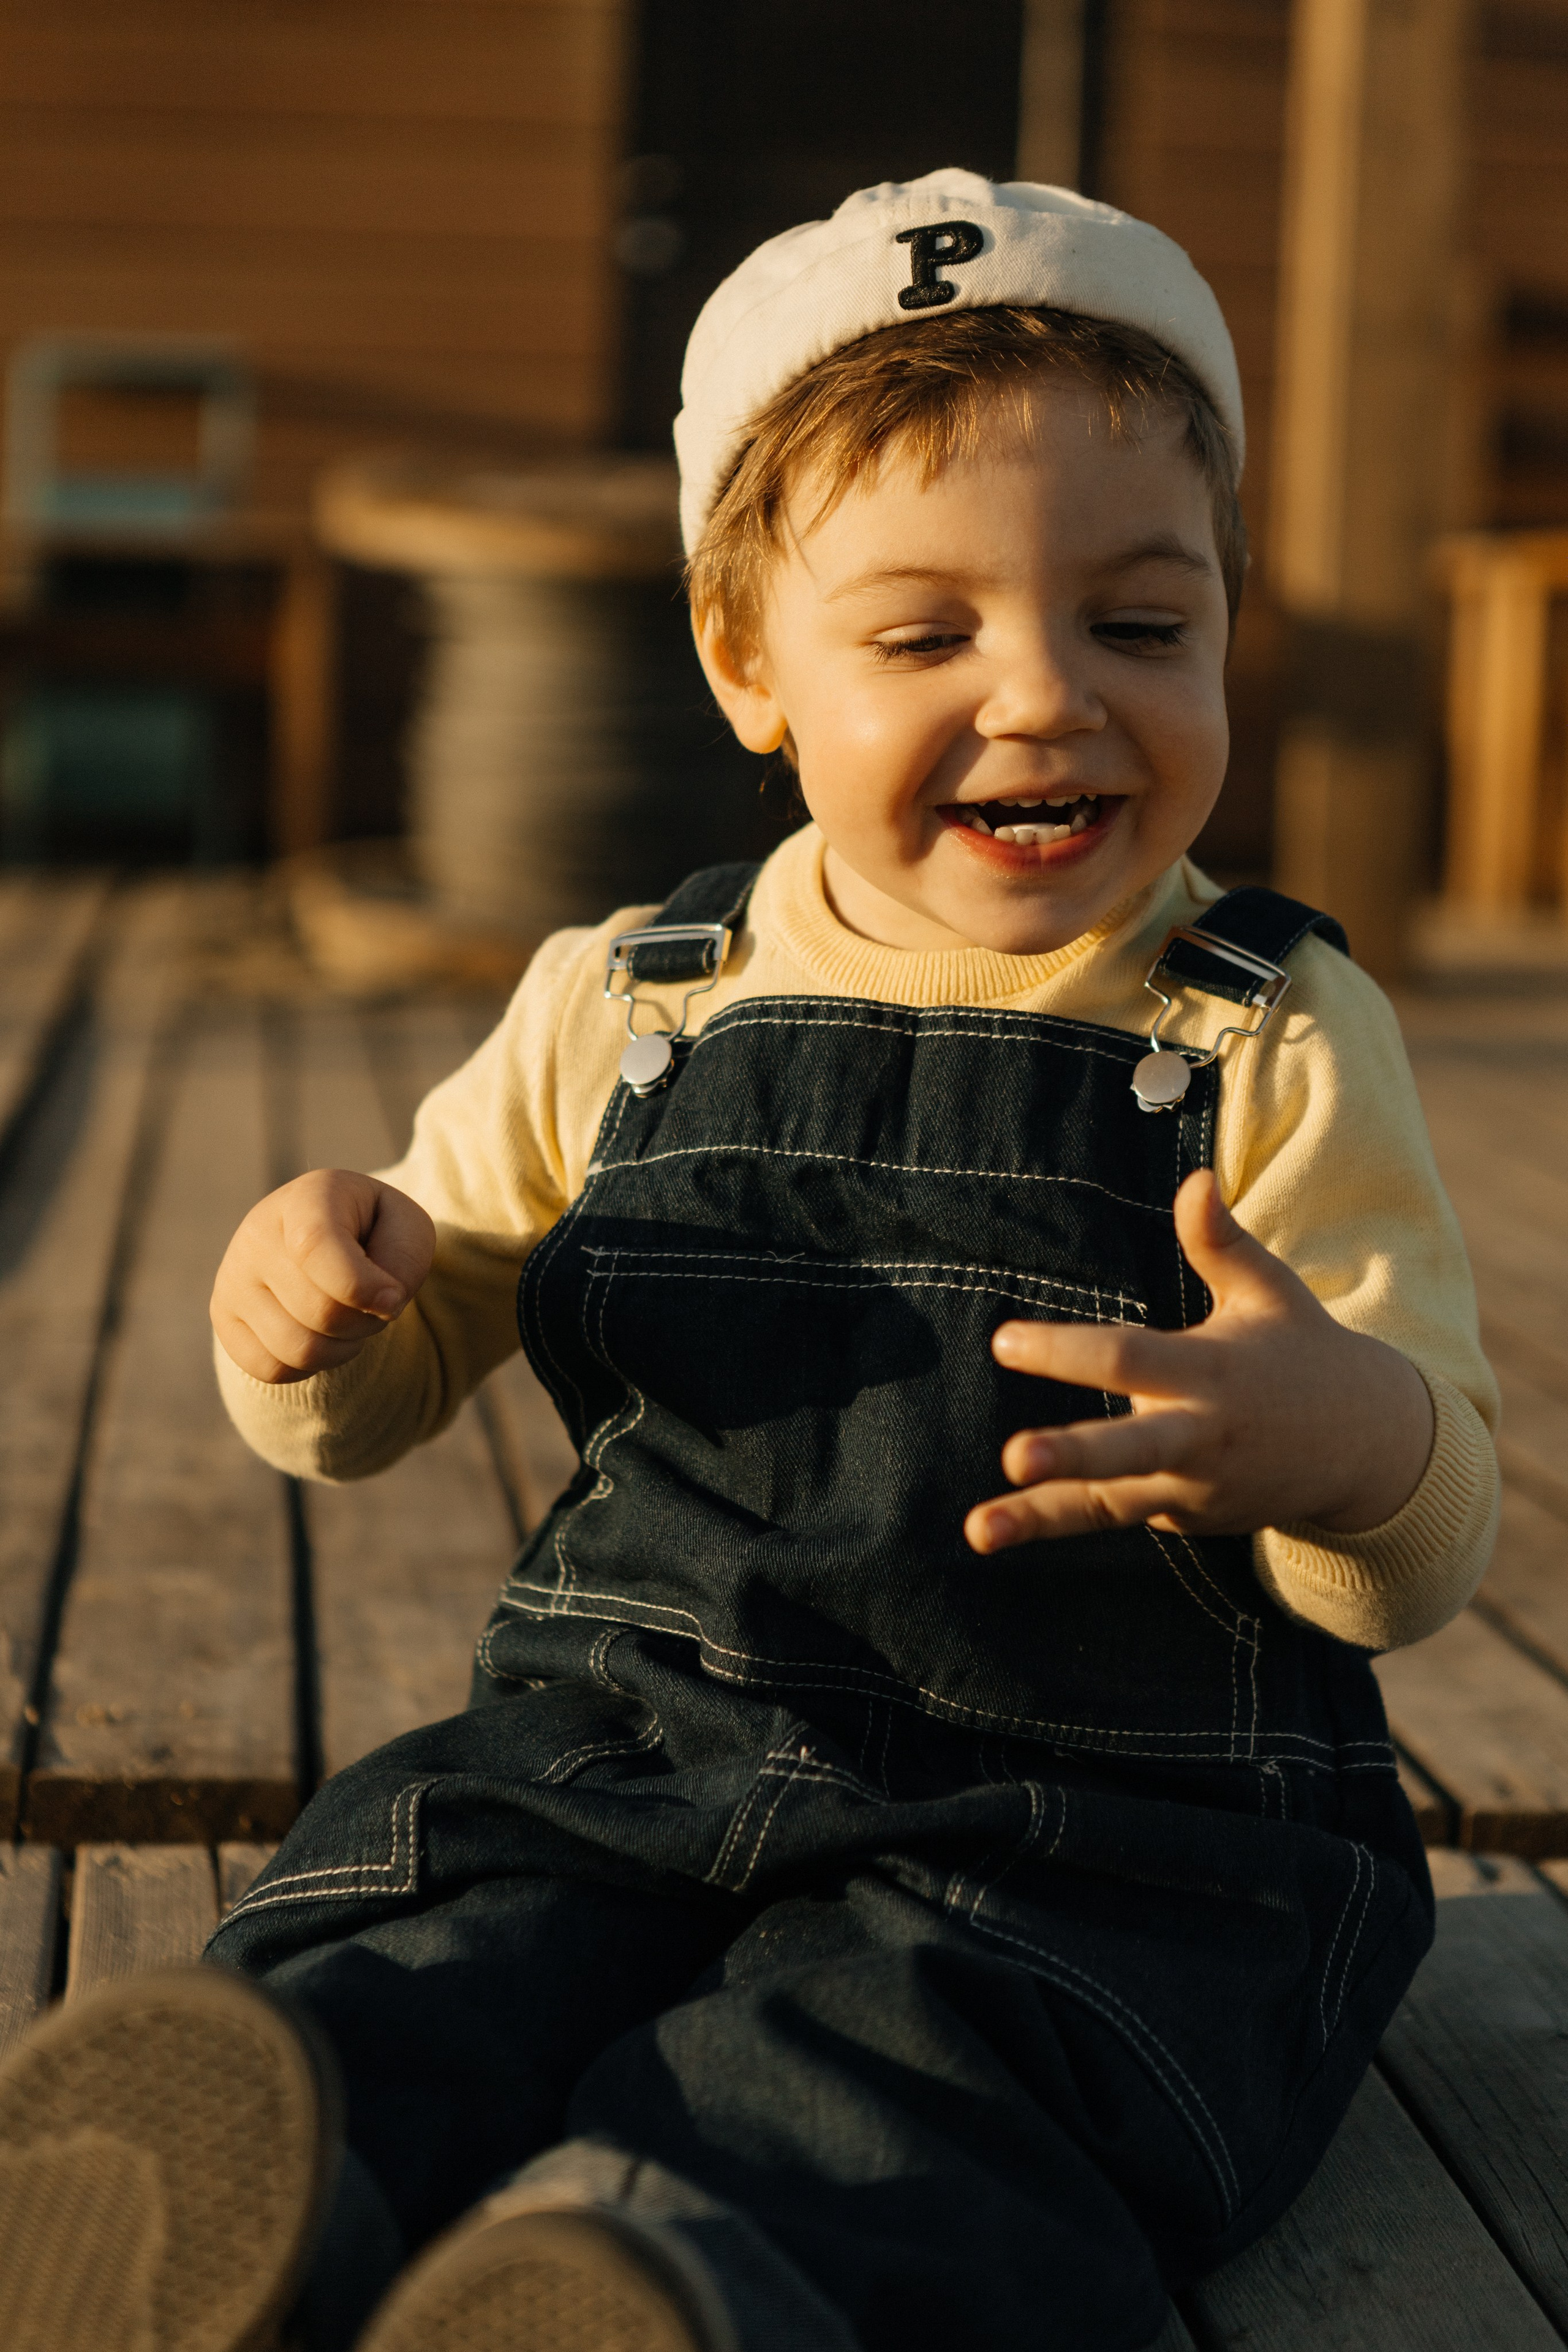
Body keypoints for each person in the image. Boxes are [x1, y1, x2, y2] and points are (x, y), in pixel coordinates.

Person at [0, 170, 1498, 2352]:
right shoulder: (632, 998)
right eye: (925, 638)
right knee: (457, 1915)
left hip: (1096, 1817)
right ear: (746, 667)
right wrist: (317, 1295)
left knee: (928, 2059)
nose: (1050, 698)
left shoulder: (1261, 1030)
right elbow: (380, 1379)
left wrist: (1339, 1442)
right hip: (635, 1746)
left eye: (1143, 626)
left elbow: (1427, 1520)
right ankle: (273, 2167)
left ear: (1226, 634)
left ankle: (684, 2277)